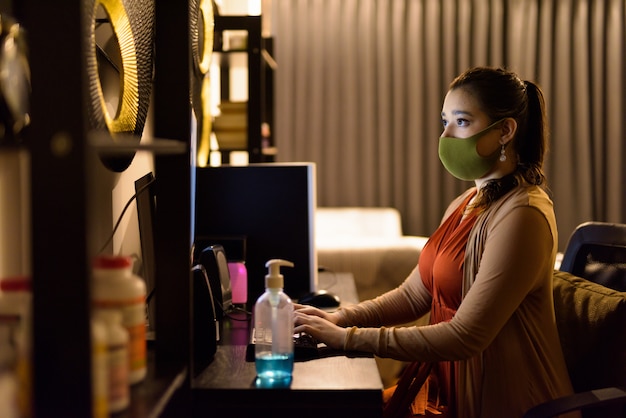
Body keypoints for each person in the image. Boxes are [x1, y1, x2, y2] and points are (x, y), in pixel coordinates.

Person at [294, 67, 577, 417]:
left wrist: (346, 338)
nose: (445, 134)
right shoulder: (464, 204)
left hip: (504, 403)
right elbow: (414, 295)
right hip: (447, 389)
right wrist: (337, 318)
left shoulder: (524, 215)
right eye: (445, 121)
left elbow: (466, 336)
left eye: (461, 121)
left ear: (505, 130)